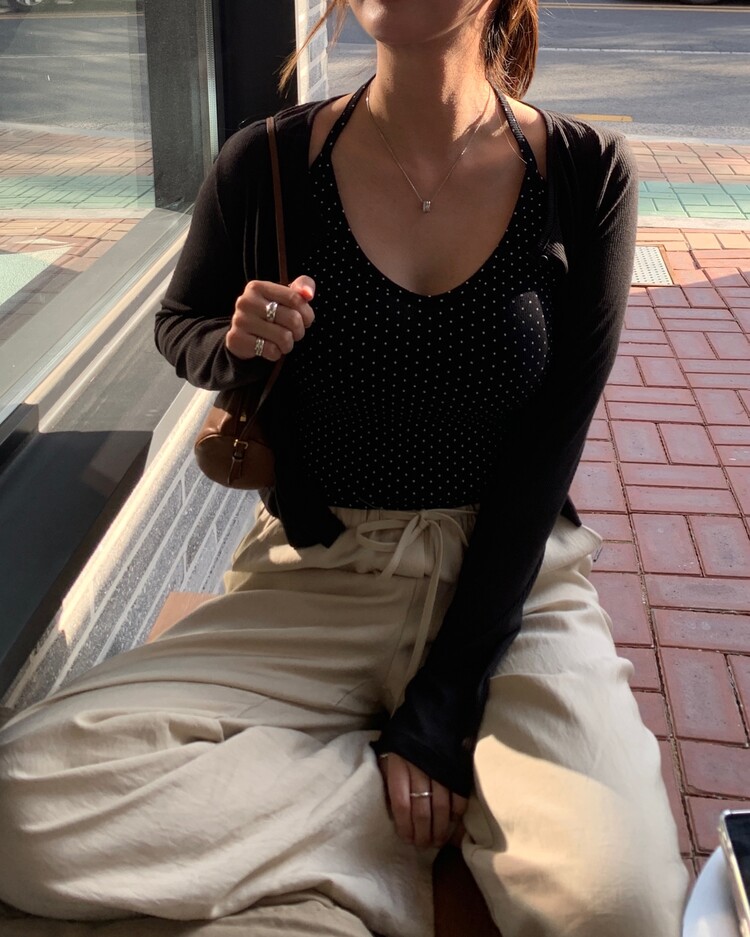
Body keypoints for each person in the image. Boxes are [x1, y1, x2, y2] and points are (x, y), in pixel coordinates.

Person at [0, 1, 688, 935]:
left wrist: (442, 703)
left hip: (511, 587)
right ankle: (399, 828)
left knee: (623, 905)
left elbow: (548, 452)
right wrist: (236, 342)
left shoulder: (583, 171)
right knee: (21, 802)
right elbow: (179, 324)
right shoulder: (268, 160)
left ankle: (319, 828)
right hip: (316, 573)